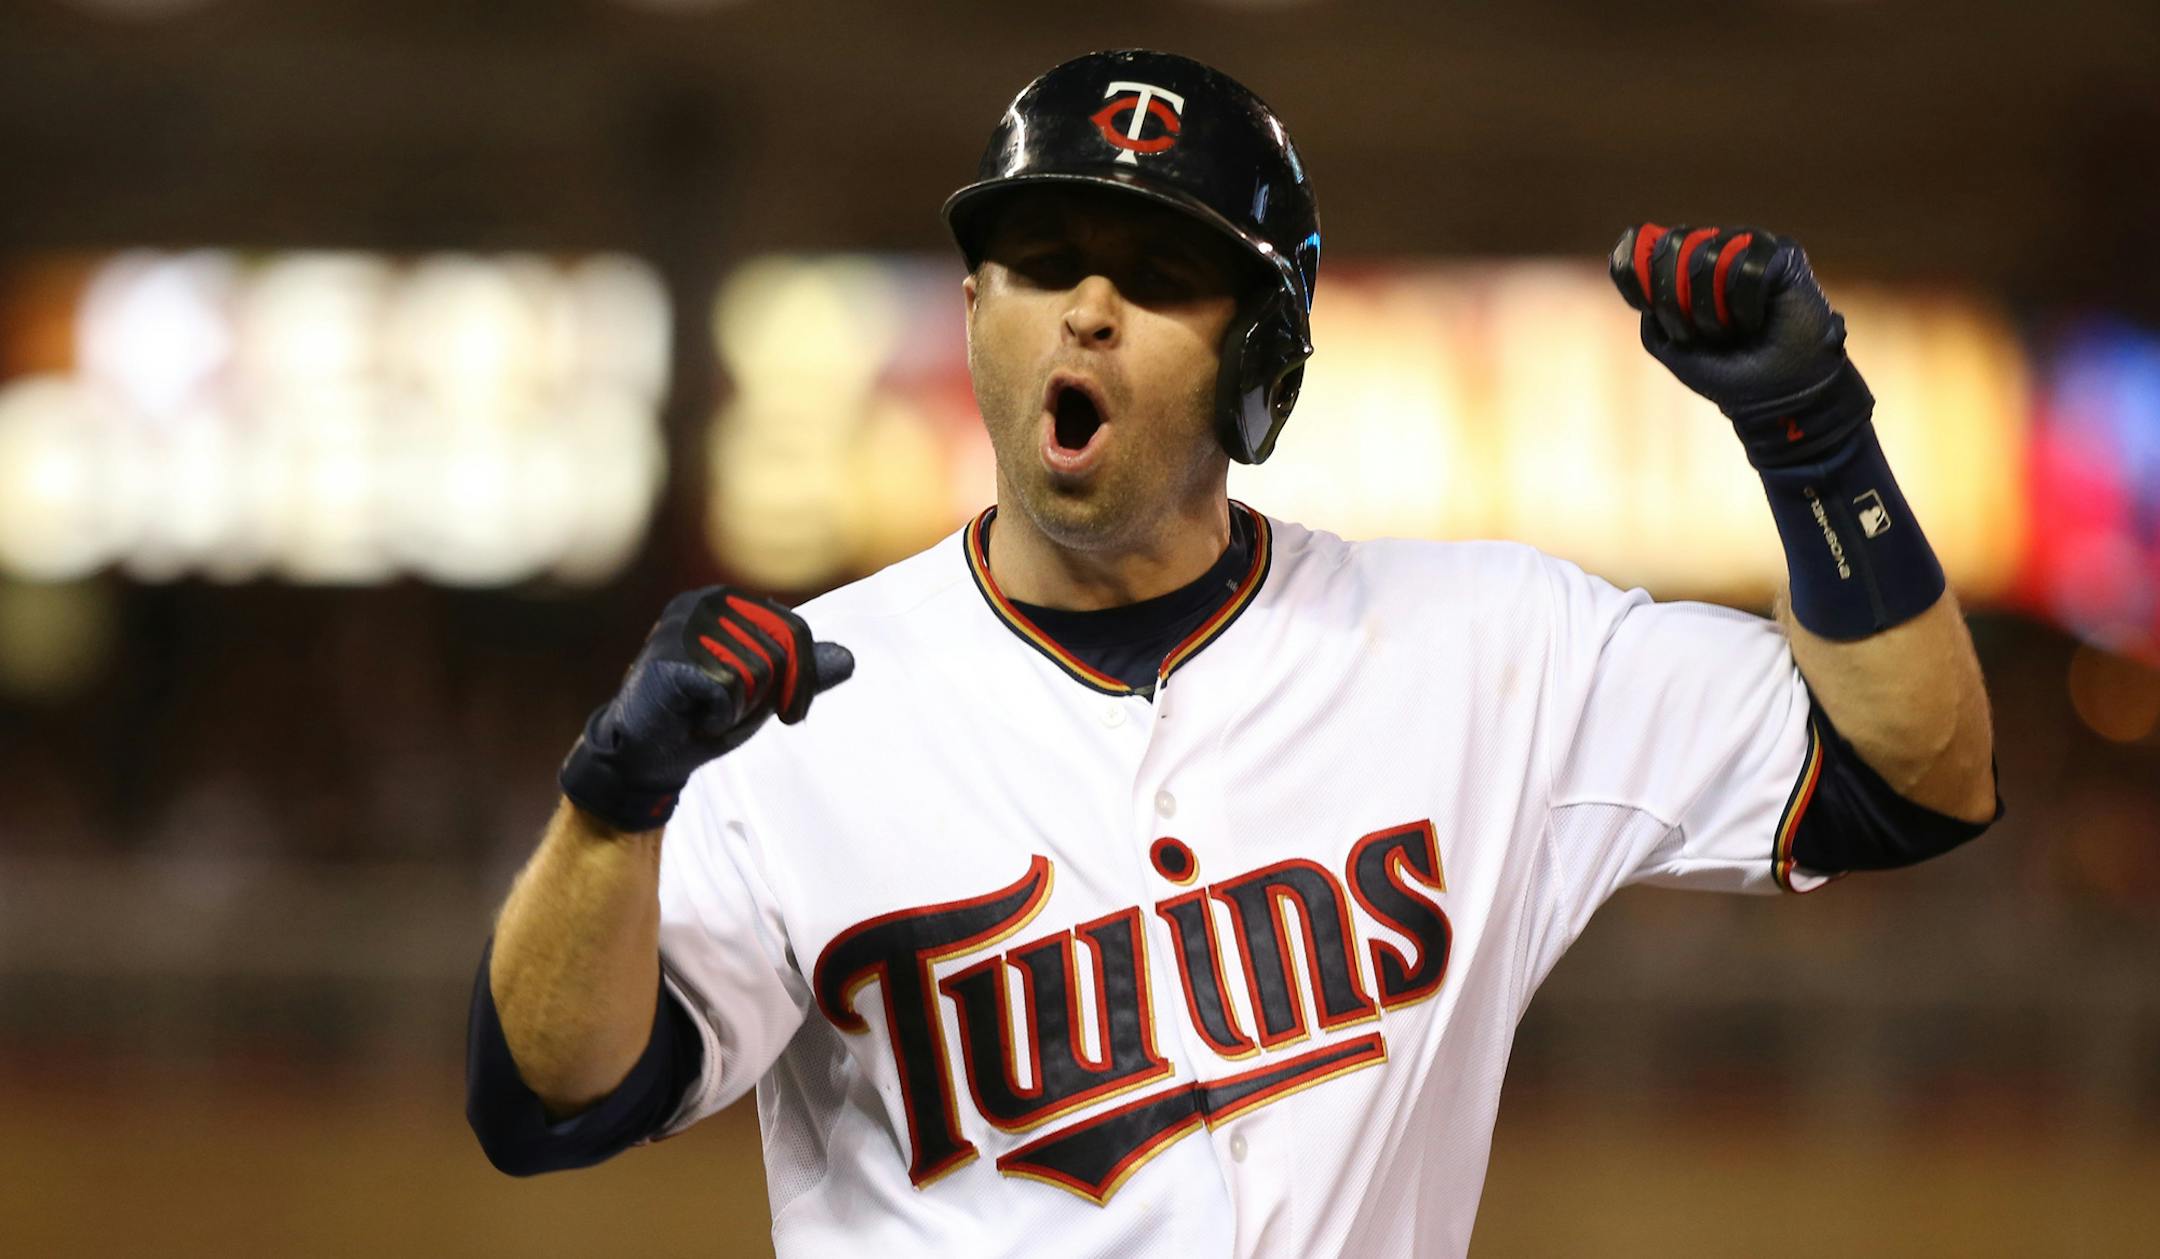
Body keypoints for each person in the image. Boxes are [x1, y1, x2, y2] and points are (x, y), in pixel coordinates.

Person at [466, 48, 2000, 1258]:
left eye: (1157, 273)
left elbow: (1910, 778)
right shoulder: (795, 702)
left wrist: (1814, 444)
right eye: (1042, 258)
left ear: (1262, 358)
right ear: (974, 311)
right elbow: (548, 1103)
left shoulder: (1489, 651)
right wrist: (613, 807)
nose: (1086, 307)